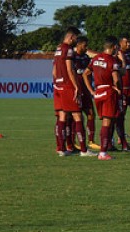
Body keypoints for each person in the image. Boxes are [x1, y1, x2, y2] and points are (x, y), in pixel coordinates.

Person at [52, 26, 95, 157]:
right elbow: (70, 70)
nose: (76, 41)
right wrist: (76, 86)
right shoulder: (68, 49)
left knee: (62, 116)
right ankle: (83, 150)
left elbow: (54, 71)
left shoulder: (58, 49)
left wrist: (57, 83)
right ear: (71, 37)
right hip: (67, 86)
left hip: (57, 86)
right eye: (76, 38)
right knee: (78, 116)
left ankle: (61, 149)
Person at [83, 36, 122, 161]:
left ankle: (103, 151)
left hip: (98, 93)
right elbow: (116, 78)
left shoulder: (95, 59)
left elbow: (85, 73)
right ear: (114, 47)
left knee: (104, 122)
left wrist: (91, 91)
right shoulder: (112, 61)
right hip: (109, 92)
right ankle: (103, 153)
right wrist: (118, 88)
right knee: (107, 123)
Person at [72, 36, 98, 150]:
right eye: (84, 45)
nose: (86, 47)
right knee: (75, 117)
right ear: (78, 45)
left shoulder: (86, 58)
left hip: (86, 91)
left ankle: (91, 140)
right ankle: (72, 142)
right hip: (76, 92)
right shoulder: (72, 58)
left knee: (91, 114)